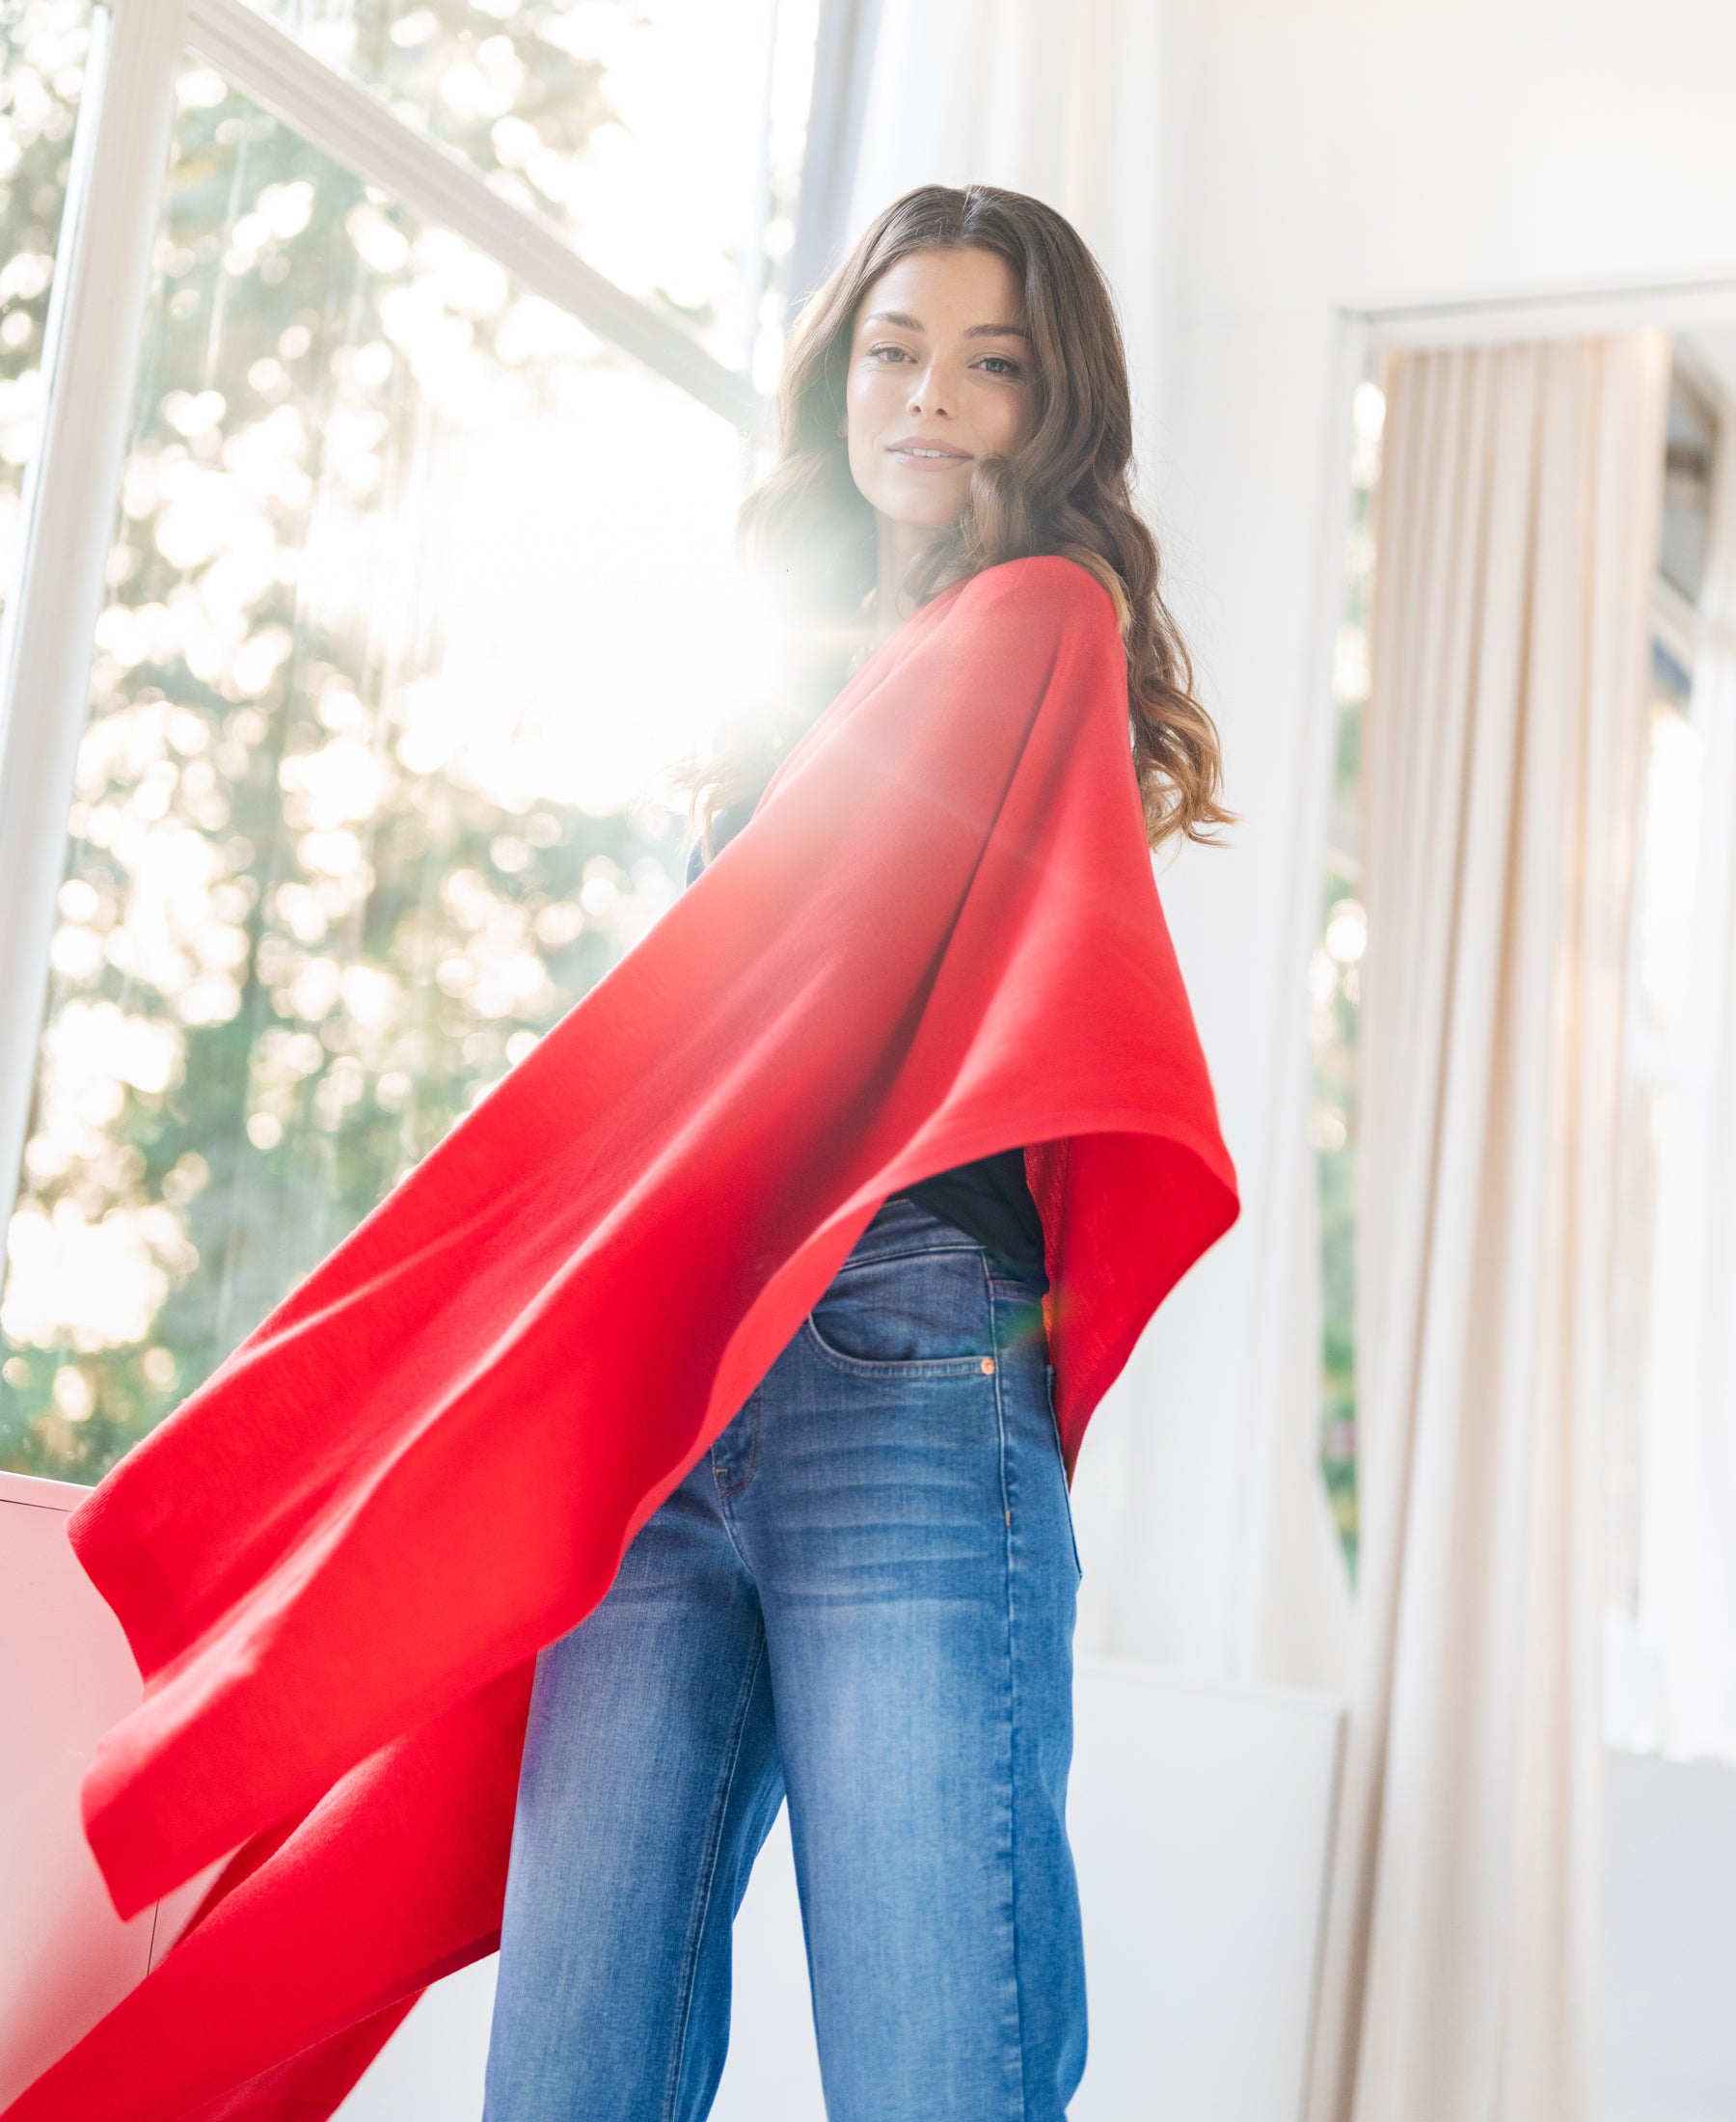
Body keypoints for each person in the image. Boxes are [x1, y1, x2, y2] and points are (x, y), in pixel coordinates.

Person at [481, 184, 1229, 2122]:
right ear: (839, 376)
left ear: (1049, 410)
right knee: (567, 2076)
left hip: (902, 1359)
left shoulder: (1044, 627)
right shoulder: (791, 673)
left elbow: (838, 986)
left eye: (993, 365)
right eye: (895, 350)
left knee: (937, 2077)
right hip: (674, 1377)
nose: (931, 398)